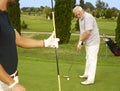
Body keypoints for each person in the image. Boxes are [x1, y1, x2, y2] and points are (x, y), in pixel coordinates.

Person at [0, 0, 59, 91]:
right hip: (3, 82)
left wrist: (45, 42)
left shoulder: (4, 15)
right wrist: (11, 84)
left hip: (11, 79)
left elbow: (18, 39)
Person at [73, 6, 100, 85]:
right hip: (88, 42)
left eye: (79, 14)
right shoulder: (80, 19)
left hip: (93, 42)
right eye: (76, 15)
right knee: (88, 58)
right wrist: (79, 43)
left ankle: (90, 79)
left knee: (92, 60)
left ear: (83, 11)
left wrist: (81, 42)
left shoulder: (88, 17)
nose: (78, 16)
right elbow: (82, 33)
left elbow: (88, 32)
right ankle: (87, 74)